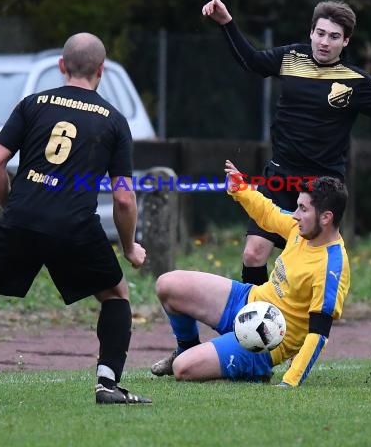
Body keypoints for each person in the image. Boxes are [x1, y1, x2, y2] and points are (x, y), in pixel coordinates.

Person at [0, 33, 151, 405]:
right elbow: (124, 197)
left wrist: (10, 204)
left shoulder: (32, 104)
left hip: (21, 219)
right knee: (115, 295)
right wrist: (129, 247)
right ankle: (107, 385)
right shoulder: (112, 120)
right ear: (101, 70)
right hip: (74, 225)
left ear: (62, 66)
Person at [202, 0, 371, 286]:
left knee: (305, 269)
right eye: (320, 33)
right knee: (253, 254)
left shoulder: (356, 82)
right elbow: (251, 62)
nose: (325, 42)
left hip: (322, 186)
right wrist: (227, 23)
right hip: (279, 178)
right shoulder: (291, 57)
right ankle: (256, 320)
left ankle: (310, 323)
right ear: (311, 33)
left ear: (346, 41)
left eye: (334, 36)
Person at [150, 160, 350, 387]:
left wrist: (290, 381)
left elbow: (318, 334)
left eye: (303, 209)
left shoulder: (332, 266)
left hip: (267, 339)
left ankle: (253, 370)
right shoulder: (300, 228)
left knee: (182, 369)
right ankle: (186, 347)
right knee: (167, 284)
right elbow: (268, 213)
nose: (295, 215)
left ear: (326, 218)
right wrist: (240, 189)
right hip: (249, 299)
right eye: (297, 206)